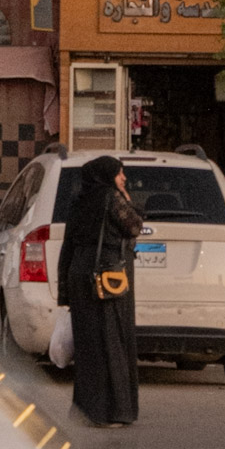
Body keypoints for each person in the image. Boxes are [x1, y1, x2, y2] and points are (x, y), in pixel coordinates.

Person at [57, 155, 143, 427]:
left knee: (88, 346)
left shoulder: (79, 201)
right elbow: (134, 226)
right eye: (119, 173)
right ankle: (114, 411)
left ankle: (87, 410)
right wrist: (126, 199)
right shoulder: (111, 197)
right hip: (107, 277)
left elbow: (68, 245)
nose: (124, 178)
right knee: (112, 341)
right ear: (107, 176)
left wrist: (64, 291)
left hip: (80, 276)